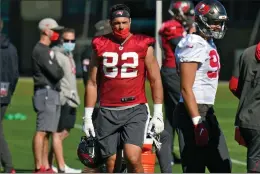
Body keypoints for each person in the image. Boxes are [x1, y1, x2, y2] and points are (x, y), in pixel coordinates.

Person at [83, 4, 164, 173]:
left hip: (135, 108)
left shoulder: (143, 44)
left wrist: (158, 113)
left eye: (124, 22)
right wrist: (88, 116)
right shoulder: (100, 44)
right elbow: (92, 82)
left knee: (133, 157)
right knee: (111, 163)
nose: (121, 26)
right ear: (111, 23)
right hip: (107, 110)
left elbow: (155, 80)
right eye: (117, 23)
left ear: (130, 22)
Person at [174, 0, 231, 172]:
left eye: (220, 23)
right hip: (192, 110)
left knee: (222, 167)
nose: (218, 27)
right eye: (214, 23)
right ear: (201, 21)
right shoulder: (194, 43)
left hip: (206, 110)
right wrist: (197, 122)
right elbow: (185, 87)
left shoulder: (207, 42)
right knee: (194, 169)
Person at [158, 0, 195, 165]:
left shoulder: (178, 26)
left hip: (173, 71)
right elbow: (182, 45)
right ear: (179, 12)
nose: (189, 17)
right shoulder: (172, 26)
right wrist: (192, 32)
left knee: (171, 118)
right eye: (187, 13)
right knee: (183, 112)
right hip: (173, 71)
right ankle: (188, 152)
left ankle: (167, 155)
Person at [31, 18, 64, 173]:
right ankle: (39, 167)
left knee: (48, 132)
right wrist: (58, 69)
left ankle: (45, 166)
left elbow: (58, 71)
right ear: (46, 30)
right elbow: (56, 72)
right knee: (42, 130)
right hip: (45, 92)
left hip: (52, 92)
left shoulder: (47, 49)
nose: (56, 33)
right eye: (54, 30)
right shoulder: (40, 50)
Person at [49, 28, 81, 173]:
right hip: (63, 97)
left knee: (65, 132)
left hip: (72, 97)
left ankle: (48, 163)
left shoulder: (69, 54)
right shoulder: (56, 54)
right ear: (61, 40)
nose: (70, 43)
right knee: (58, 132)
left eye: (72, 40)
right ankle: (62, 167)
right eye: (67, 40)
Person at [229, 41, 260, 172]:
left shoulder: (247, 53)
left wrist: (248, 98)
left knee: (254, 165)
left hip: (247, 119)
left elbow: (233, 85)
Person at [0, 17, 19, 173]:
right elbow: (15, 75)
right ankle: (8, 166)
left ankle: (8, 165)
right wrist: (8, 92)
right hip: (4, 92)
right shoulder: (11, 48)